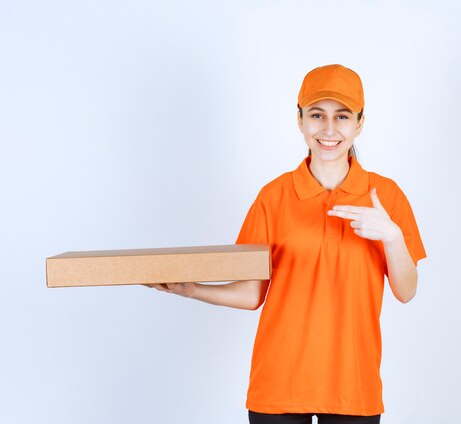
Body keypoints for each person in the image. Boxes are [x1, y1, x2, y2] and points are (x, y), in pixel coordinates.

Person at [146, 64, 427, 424]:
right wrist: (191, 289)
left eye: (341, 116)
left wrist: (392, 236)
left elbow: (407, 291)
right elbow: (251, 294)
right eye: (316, 115)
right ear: (300, 121)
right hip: (278, 383)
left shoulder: (385, 197)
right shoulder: (273, 197)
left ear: (359, 123)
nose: (328, 129)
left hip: (353, 385)